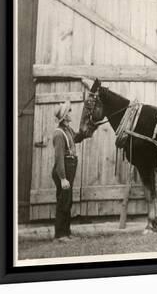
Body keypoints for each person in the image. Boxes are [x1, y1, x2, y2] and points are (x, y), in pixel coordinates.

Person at [52, 101, 88, 242]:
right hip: (64, 170)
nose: (70, 114)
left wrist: (88, 131)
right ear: (64, 117)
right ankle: (60, 235)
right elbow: (59, 157)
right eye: (68, 112)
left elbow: (76, 138)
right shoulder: (59, 134)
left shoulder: (68, 130)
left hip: (69, 168)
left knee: (67, 201)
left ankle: (66, 233)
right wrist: (63, 178)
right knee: (63, 202)